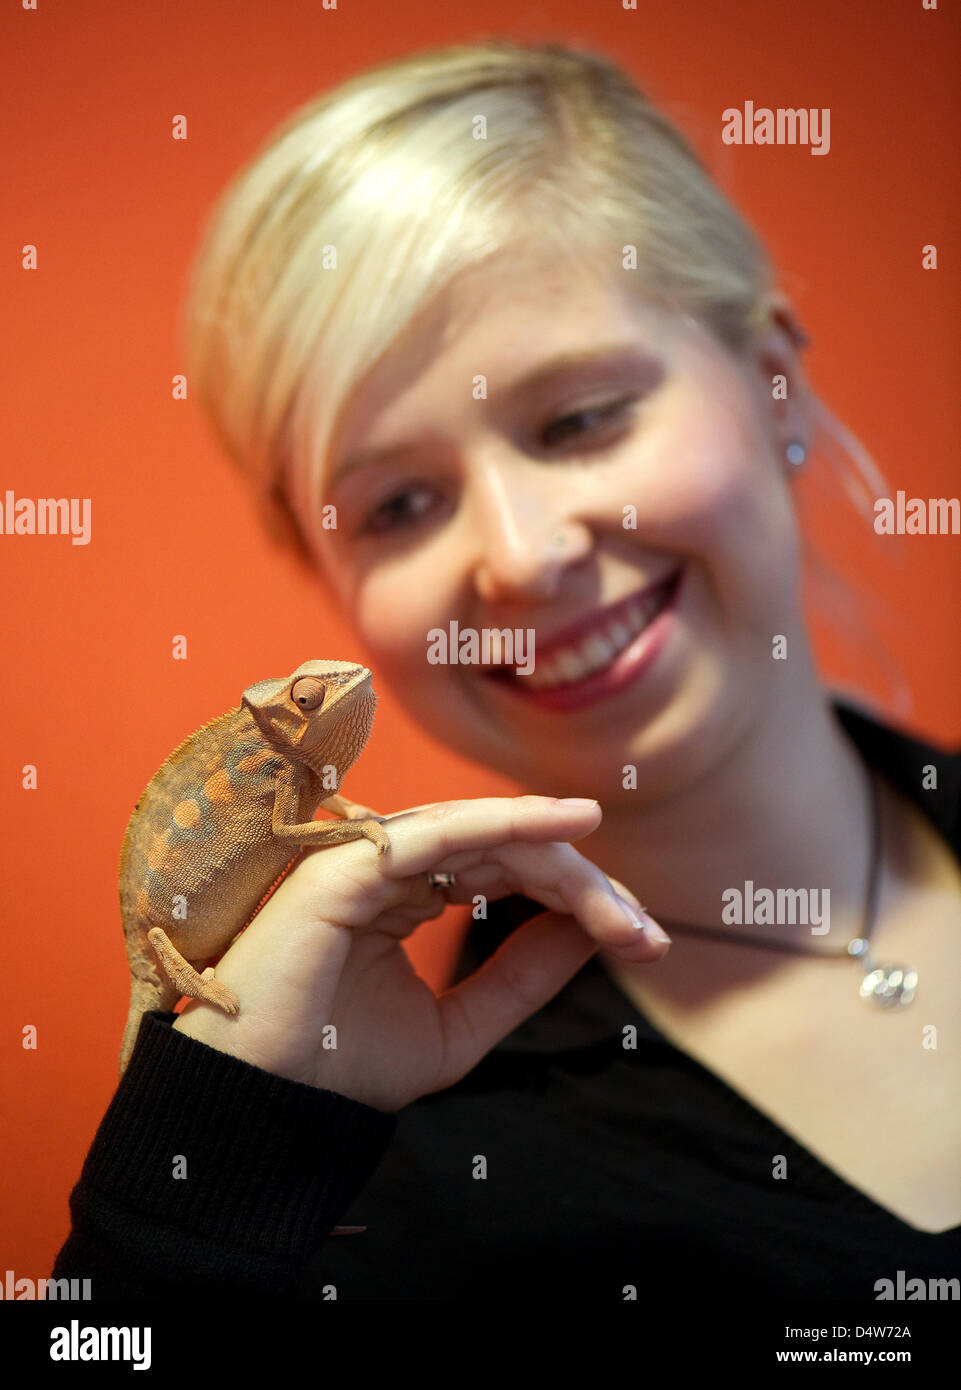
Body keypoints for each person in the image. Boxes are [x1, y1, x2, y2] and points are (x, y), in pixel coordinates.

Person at [50, 39, 961, 1300]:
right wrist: (204, 1189)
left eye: (579, 419)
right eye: (401, 503)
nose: (522, 560)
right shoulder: (386, 1174)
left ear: (771, 379)